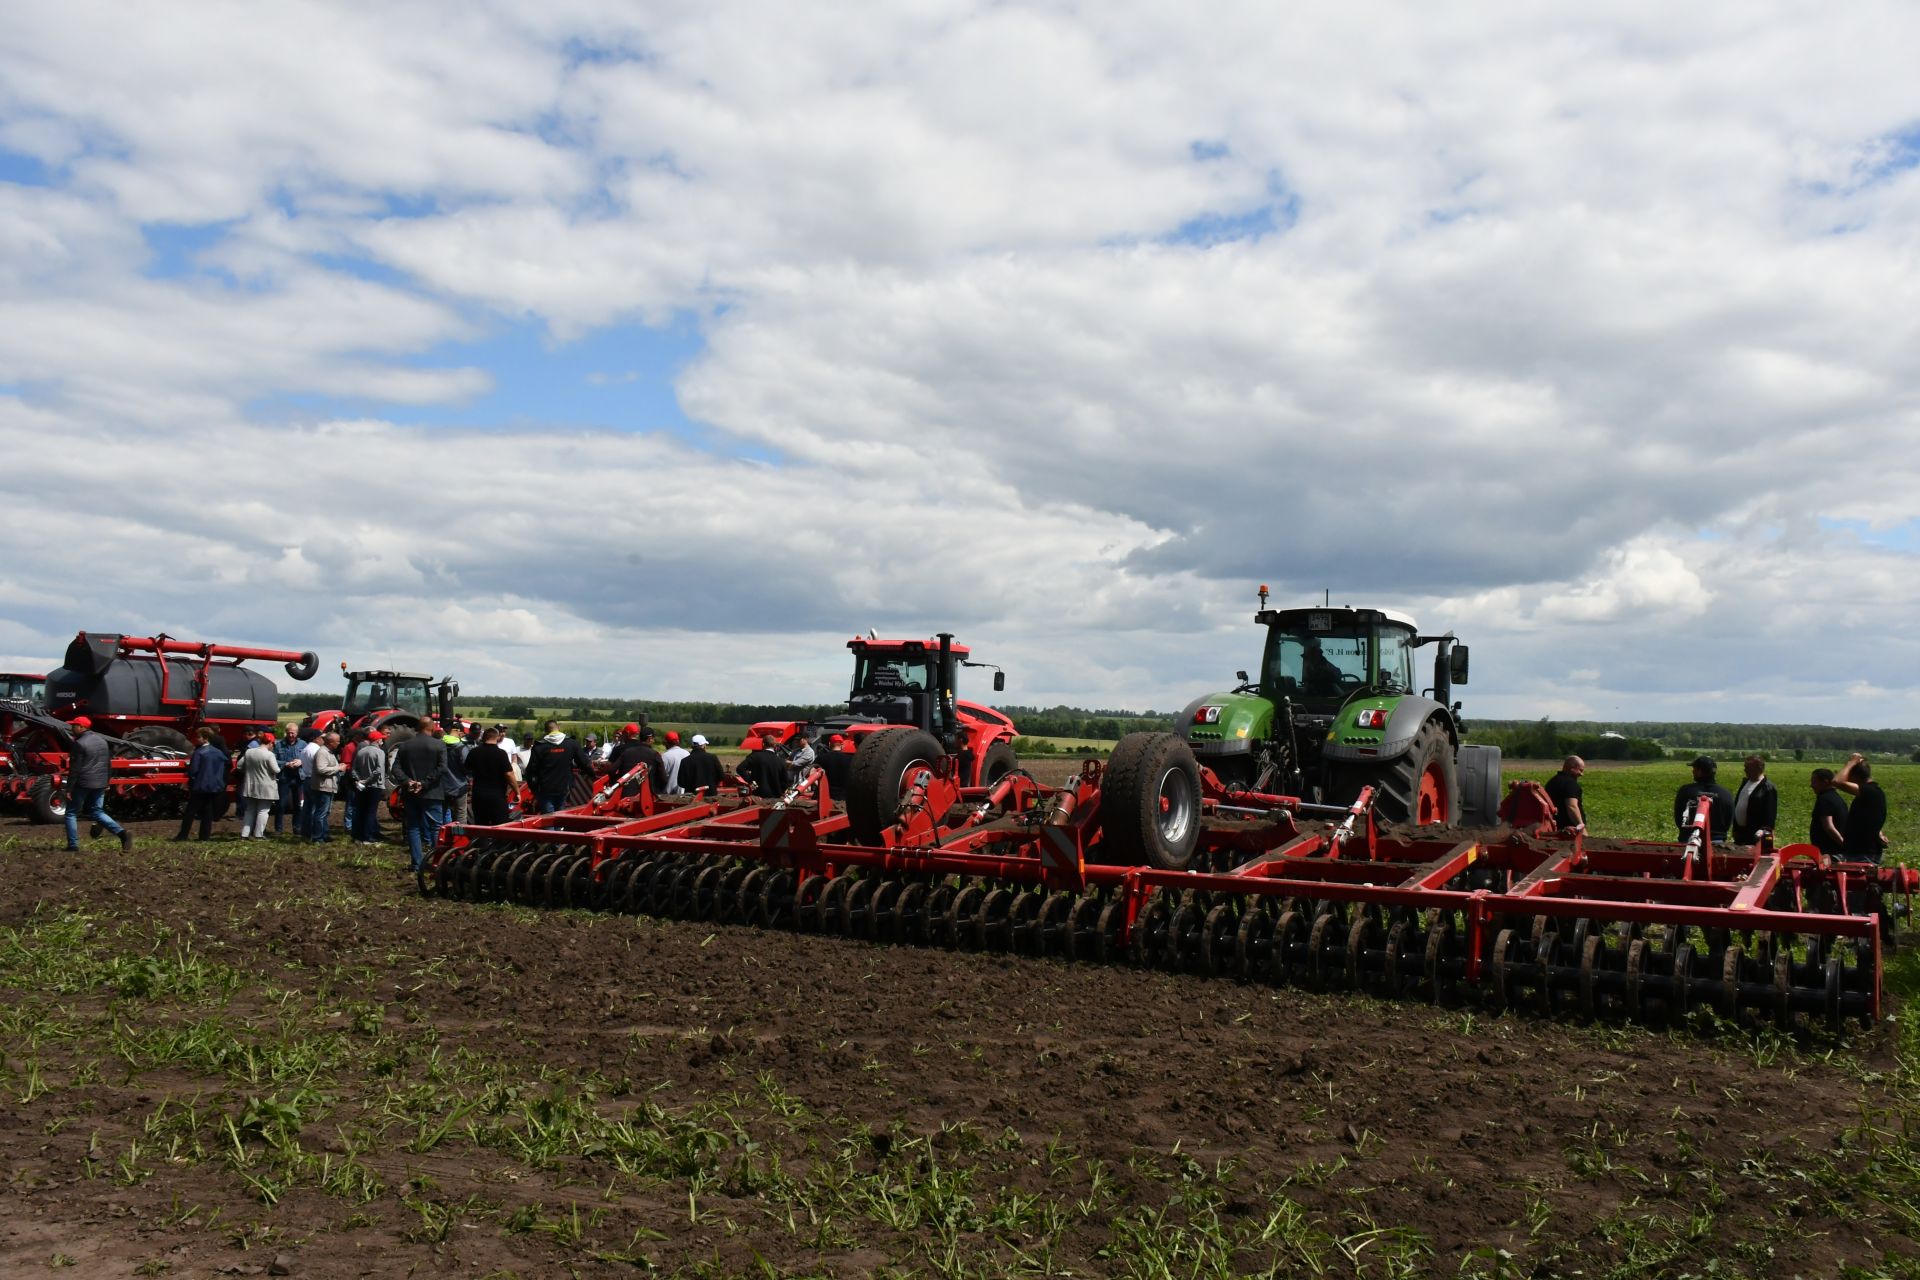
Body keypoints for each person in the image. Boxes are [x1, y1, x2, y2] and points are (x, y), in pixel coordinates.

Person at [62, 716, 132, 852]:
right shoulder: (102, 741)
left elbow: (75, 769)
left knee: (71, 813)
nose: (72, 728)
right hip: (100, 782)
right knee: (97, 811)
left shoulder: (79, 743)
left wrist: (69, 789)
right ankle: (122, 834)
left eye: (74, 726)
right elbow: (108, 764)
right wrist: (107, 781)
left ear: (82, 727)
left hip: (83, 782)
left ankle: (73, 845)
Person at [390, 725, 449, 871]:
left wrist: (408, 781)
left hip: (410, 793)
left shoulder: (405, 745)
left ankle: (417, 864)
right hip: (432, 792)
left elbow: (395, 768)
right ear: (430, 728)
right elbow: (442, 768)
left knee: (413, 828)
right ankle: (437, 863)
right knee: (436, 827)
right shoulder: (439, 745)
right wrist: (424, 783)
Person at [525, 720, 594, 813]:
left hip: (545, 788)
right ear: (558, 728)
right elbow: (585, 764)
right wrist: (592, 776)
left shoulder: (539, 747)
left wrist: (534, 789)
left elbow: (530, 771)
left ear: (546, 731)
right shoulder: (572, 743)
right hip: (564, 788)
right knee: (560, 817)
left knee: (548, 820)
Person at [175, 728, 230, 841]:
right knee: (208, 812)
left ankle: (183, 835)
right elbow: (225, 766)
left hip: (200, 786)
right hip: (214, 786)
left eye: (198, 737)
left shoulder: (199, 753)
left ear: (205, 738)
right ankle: (204, 836)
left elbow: (193, 770)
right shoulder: (218, 753)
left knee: (190, 812)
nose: (196, 739)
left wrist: (191, 780)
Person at [1834, 754, 1889, 862]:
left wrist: (1851, 763)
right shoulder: (1873, 793)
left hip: (1863, 855)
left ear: (1854, 776)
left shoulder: (1870, 791)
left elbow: (1837, 782)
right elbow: (1868, 820)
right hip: (1863, 853)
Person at [1672, 755, 1734, 844]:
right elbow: (1728, 821)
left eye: (1694, 768)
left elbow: (1679, 817)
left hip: (1688, 840)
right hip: (1717, 841)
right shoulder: (1725, 793)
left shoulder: (1685, 791)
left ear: (1700, 771)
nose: (1692, 771)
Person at [466, 727, 516, 825]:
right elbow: (509, 774)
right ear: (497, 738)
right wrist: (517, 792)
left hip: (478, 796)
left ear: (484, 737)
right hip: (497, 797)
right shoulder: (501, 754)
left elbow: (467, 768)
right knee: (500, 828)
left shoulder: (474, 752)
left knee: (481, 827)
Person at [238, 729, 281, 839]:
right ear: (270, 742)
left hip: (250, 785)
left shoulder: (249, 752)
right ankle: (258, 834)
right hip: (266, 786)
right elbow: (276, 770)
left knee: (250, 810)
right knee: (263, 811)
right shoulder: (269, 755)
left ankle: (244, 834)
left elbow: (239, 765)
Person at [1729, 754, 1778, 847]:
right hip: (1740, 835)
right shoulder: (1745, 783)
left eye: (1748, 767)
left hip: (1755, 837)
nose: (1745, 770)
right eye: (1745, 767)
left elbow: (1770, 815)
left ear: (1758, 768)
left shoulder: (1768, 788)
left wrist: (1763, 831)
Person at [350, 730, 388, 844]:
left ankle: (358, 835)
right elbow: (378, 771)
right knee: (371, 812)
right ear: (377, 740)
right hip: (374, 785)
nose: (382, 740)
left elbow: (354, 769)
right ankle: (368, 836)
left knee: (361, 810)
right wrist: (367, 781)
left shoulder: (361, 751)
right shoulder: (379, 752)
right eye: (381, 738)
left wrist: (359, 780)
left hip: (362, 786)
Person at [607, 725, 664, 797]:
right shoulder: (652, 752)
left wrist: (616, 782)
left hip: (625, 791)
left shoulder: (621, 750)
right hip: (647, 793)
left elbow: (611, 769)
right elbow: (662, 777)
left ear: (627, 734)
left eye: (623, 733)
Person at [306, 732, 343, 843]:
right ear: (331, 742)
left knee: (324, 812)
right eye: (337, 741)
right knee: (321, 813)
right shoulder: (322, 752)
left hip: (328, 786)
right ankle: (317, 837)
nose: (339, 743)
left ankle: (324, 834)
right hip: (322, 787)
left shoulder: (329, 752)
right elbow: (321, 769)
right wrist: (338, 768)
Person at [677, 733, 732, 798]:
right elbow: (721, 776)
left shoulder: (685, 761)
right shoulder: (712, 758)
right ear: (703, 745)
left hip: (691, 797)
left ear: (692, 746)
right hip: (711, 796)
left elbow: (681, 782)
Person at [273, 724, 304, 834]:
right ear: (286, 732)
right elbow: (273, 760)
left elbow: (308, 758)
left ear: (297, 733)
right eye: (289, 732)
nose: (291, 735)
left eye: (293, 733)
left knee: (298, 805)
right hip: (284, 777)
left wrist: (301, 761)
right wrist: (286, 764)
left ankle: (297, 828)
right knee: (281, 804)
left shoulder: (303, 744)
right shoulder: (279, 745)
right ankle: (278, 829)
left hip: (299, 777)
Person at [1809, 768, 1848, 856]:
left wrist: (1844, 845)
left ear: (1825, 782)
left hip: (1829, 853)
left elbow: (1829, 827)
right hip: (1834, 851)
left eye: (1814, 782)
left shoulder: (1825, 800)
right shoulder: (1836, 798)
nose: (1811, 785)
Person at [1544, 755, 1586, 834]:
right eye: (1580, 770)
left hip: (1553, 829)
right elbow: (1572, 806)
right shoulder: (1570, 784)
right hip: (1569, 831)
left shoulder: (1552, 782)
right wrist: (1581, 827)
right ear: (1572, 768)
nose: (1581, 774)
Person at [442, 724, 472, 825]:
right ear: (458, 731)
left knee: (443, 812)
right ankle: (460, 838)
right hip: (460, 786)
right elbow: (467, 766)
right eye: (462, 733)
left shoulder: (439, 744)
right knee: (461, 813)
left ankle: (443, 835)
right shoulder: (461, 747)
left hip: (442, 786)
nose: (462, 736)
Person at [819, 733, 853, 798]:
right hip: (844, 796)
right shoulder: (850, 758)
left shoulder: (822, 757)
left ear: (829, 744)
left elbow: (812, 772)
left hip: (826, 795)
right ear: (842, 745)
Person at [659, 730, 689, 795]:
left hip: (668, 795)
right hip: (685, 794)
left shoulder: (665, 756)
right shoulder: (687, 753)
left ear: (667, 743)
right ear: (678, 742)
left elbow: (661, 777)